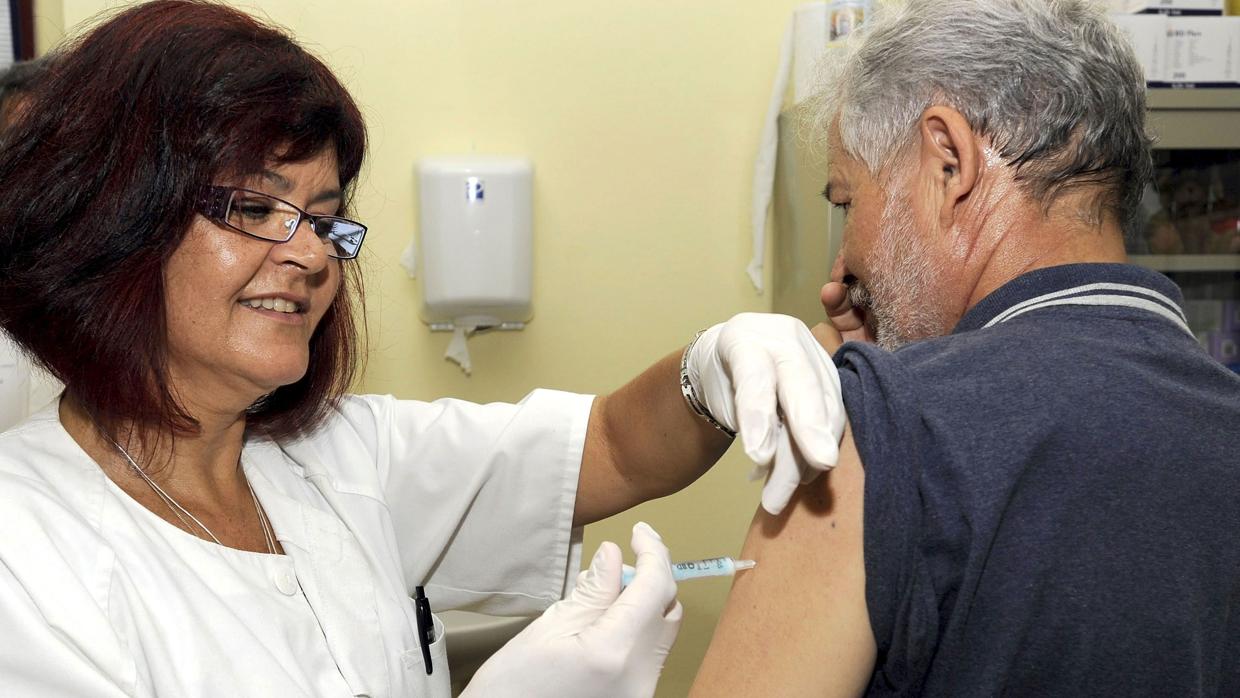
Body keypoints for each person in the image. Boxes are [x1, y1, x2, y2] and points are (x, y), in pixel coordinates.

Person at [0, 2, 848, 696]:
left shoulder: (337, 458)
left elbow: (613, 445)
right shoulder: (26, 554)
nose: (310, 253)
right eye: (256, 209)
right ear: (112, 221)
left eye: (326, 217)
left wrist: (715, 367)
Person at [691, 0, 1240, 696]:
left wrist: (884, 399)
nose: (844, 268)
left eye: (845, 202)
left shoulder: (879, 428)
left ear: (948, 163)